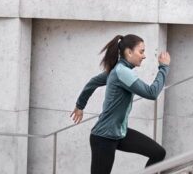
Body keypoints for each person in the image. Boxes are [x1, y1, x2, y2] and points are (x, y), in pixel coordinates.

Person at [71, 34, 171, 174]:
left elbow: (93, 82)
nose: (144, 56)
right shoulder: (121, 72)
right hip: (103, 138)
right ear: (129, 52)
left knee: (158, 153)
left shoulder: (119, 70)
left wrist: (80, 106)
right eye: (141, 51)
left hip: (119, 133)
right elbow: (151, 93)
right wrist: (164, 68)